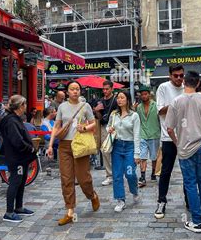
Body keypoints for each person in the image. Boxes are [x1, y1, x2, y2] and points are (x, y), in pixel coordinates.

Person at [166, 71, 201, 233]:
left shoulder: (176, 101)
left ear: (184, 82)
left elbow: (169, 129)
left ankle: (196, 221)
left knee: (190, 183)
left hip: (185, 149)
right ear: (198, 84)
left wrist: (178, 143)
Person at [47, 80, 100, 226]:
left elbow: (93, 123)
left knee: (84, 179)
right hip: (64, 146)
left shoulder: (85, 106)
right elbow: (57, 126)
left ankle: (92, 195)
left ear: (80, 91)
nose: (75, 91)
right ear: (67, 92)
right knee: (66, 179)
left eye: (77, 89)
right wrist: (50, 145)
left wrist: (85, 128)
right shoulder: (62, 107)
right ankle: (70, 211)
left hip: (80, 145)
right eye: (72, 89)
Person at [0, 95, 37, 223]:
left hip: (21, 157)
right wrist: (29, 148)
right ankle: (9, 212)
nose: (25, 107)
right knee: (15, 182)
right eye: (24, 105)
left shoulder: (15, 119)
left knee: (21, 181)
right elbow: (17, 140)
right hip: (17, 157)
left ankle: (19, 207)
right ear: (20, 106)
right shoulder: (11, 121)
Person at [154, 64, 185, 219]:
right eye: (176, 75)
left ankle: (189, 201)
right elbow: (159, 110)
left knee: (188, 172)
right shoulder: (163, 88)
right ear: (170, 75)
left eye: (181, 75)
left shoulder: (187, 88)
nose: (179, 78)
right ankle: (161, 201)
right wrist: (176, 103)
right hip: (168, 136)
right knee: (166, 171)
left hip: (186, 137)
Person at [107, 91, 141, 212]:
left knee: (130, 173)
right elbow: (108, 127)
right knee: (117, 175)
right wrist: (109, 129)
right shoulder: (114, 114)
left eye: (122, 98)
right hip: (116, 146)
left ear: (127, 99)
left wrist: (137, 154)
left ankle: (134, 190)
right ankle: (120, 200)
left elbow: (137, 135)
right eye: (118, 98)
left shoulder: (134, 115)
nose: (119, 100)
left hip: (129, 147)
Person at [93, 80, 118, 186]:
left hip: (116, 127)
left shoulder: (116, 100)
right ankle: (109, 175)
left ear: (112, 89)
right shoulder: (100, 101)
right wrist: (97, 111)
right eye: (103, 89)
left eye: (107, 89)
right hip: (104, 127)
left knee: (116, 151)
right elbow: (99, 118)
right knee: (105, 151)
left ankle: (117, 174)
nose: (105, 91)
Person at [136, 86, 160, 187]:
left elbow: (160, 120)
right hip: (143, 134)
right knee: (143, 157)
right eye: (142, 94)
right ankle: (142, 176)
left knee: (154, 157)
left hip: (154, 134)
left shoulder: (156, 105)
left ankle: (154, 172)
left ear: (149, 94)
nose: (144, 96)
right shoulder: (138, 107)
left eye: (145, 94)